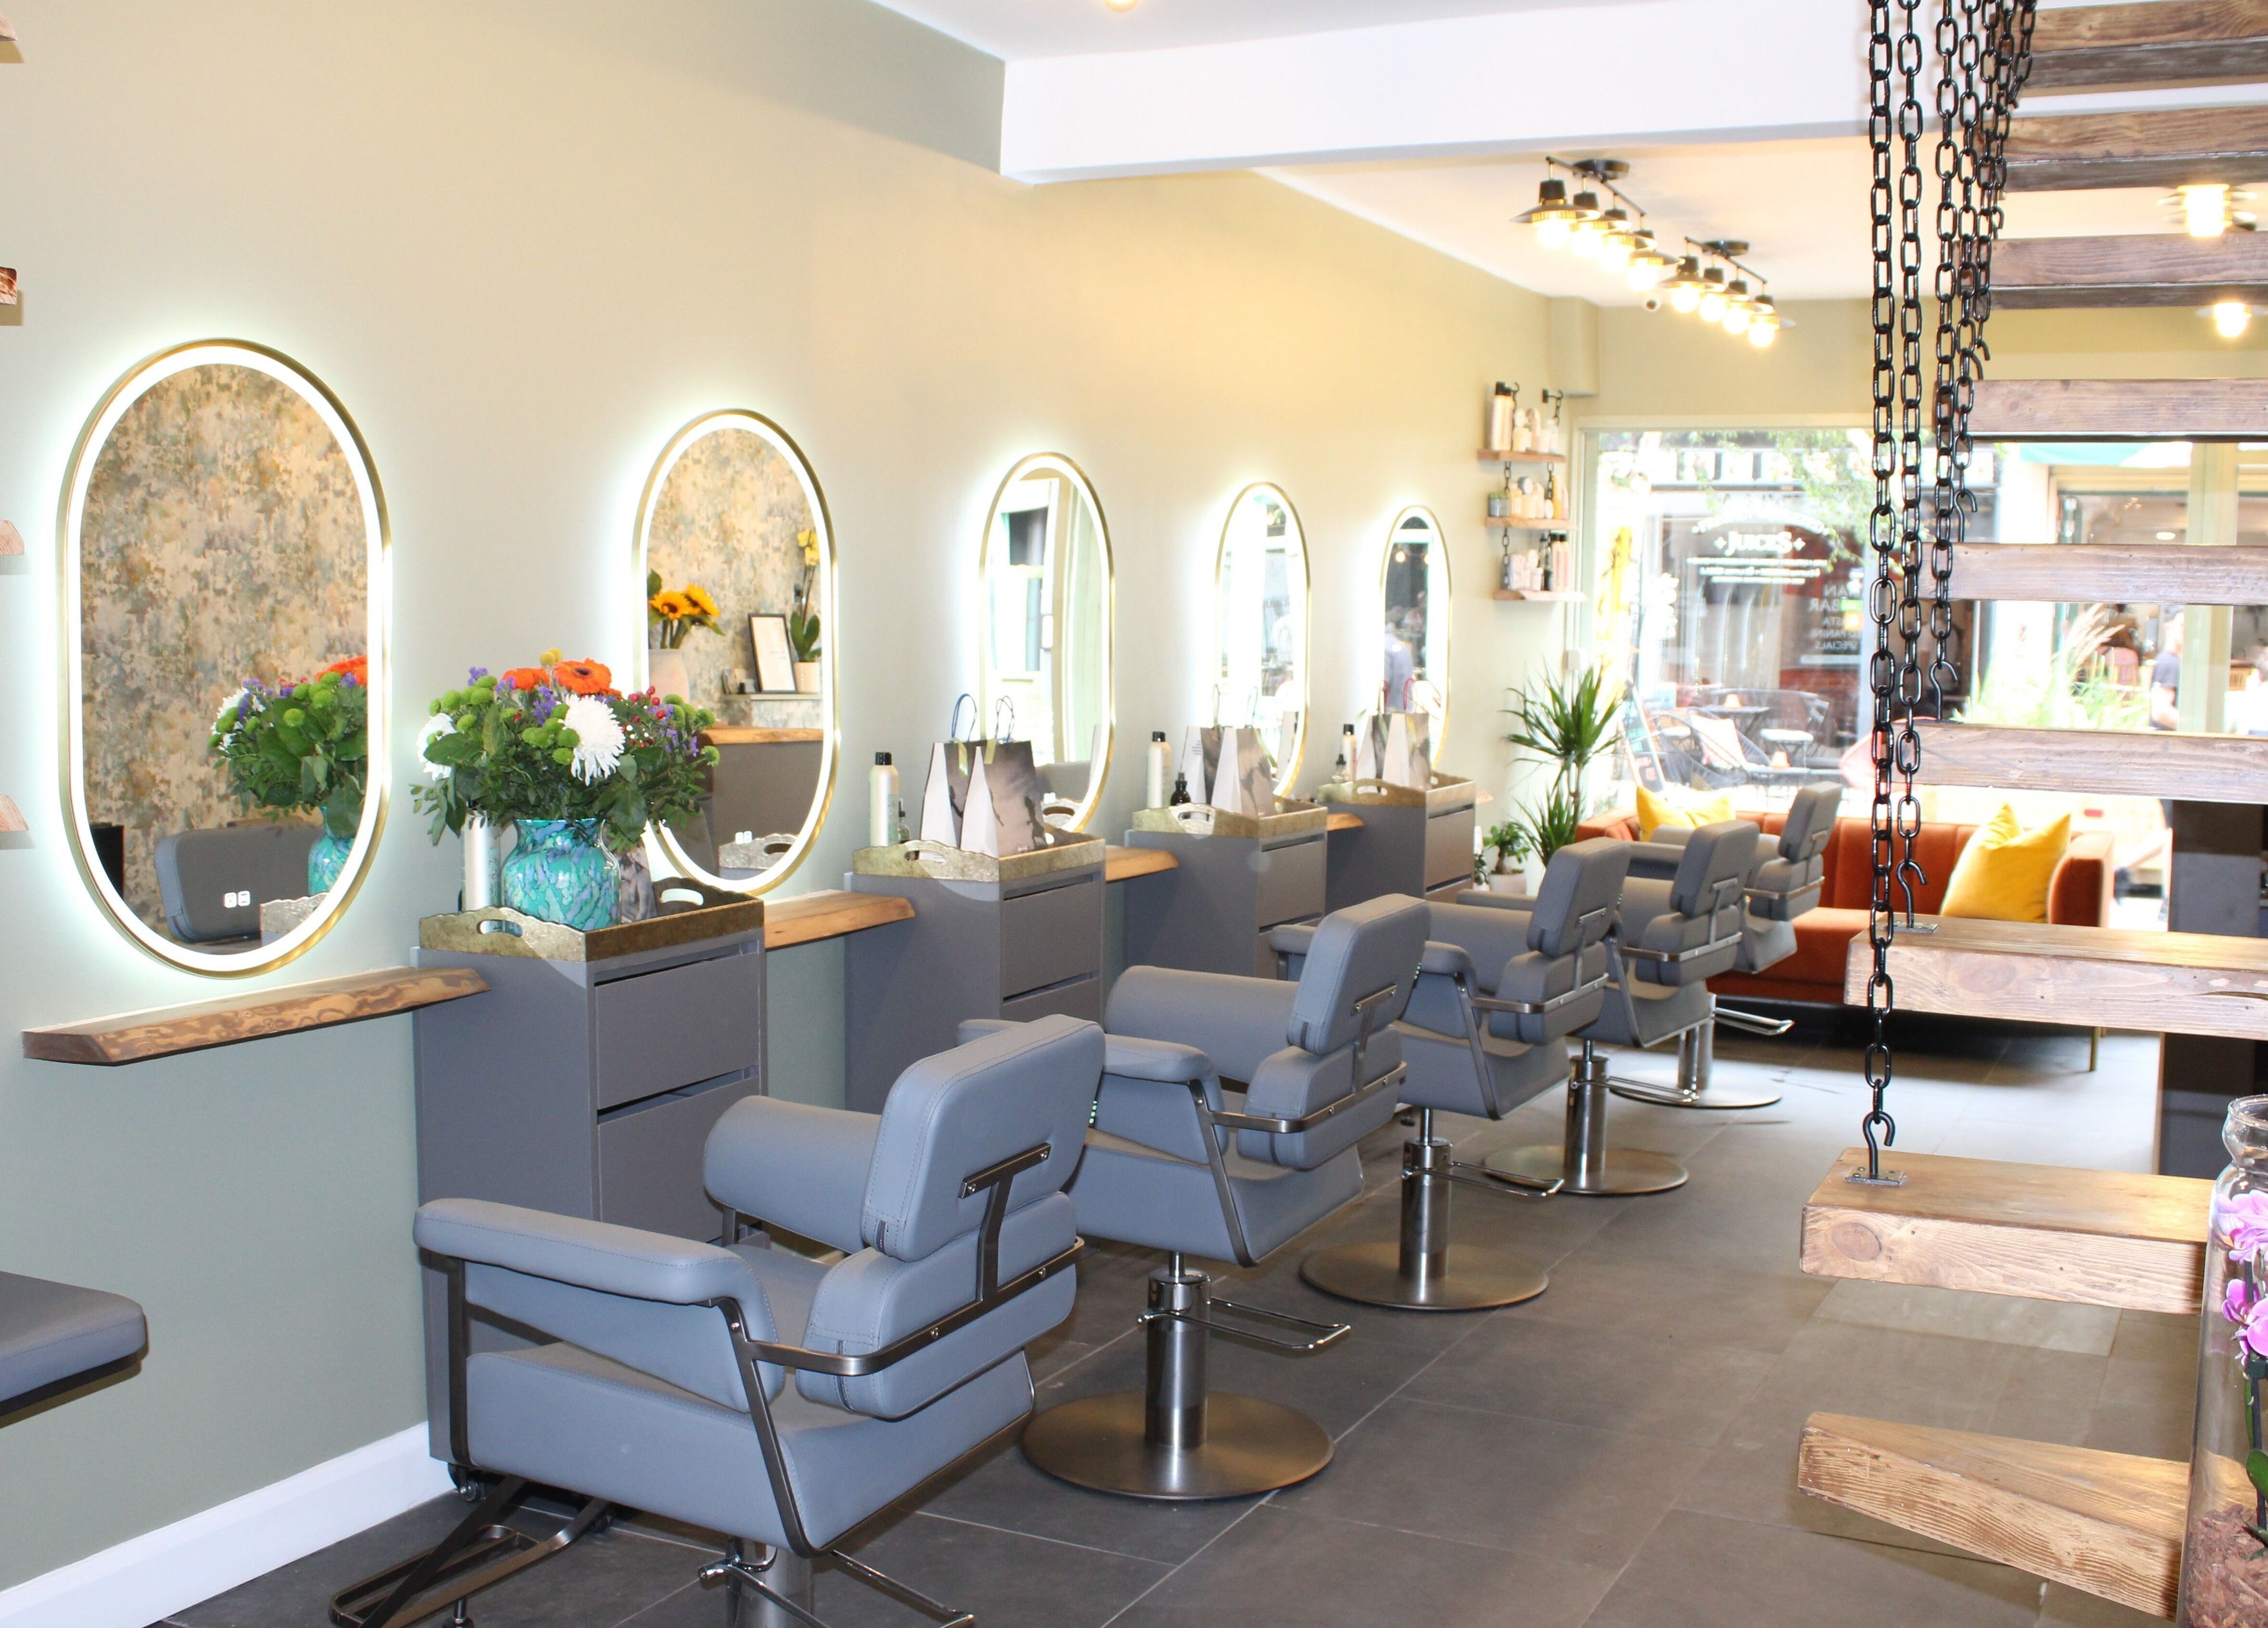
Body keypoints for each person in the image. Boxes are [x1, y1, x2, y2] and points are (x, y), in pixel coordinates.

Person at [2149, 615, 2182, 731]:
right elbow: (2161, 712)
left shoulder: (2175, 661)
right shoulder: (2169, 662)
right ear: (2168, 626)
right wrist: (2195, 726)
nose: (2186, 631)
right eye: (2182, 625)